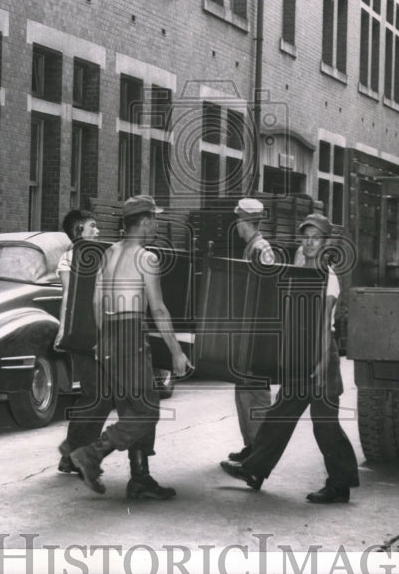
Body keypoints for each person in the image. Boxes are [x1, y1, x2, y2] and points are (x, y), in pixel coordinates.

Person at [219, 213, 359, 504]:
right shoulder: (299, 268)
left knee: (326, 425)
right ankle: (255, 470)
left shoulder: (328, 277)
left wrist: (321, 363)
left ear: (326, 243)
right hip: (300, 355)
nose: (309, 243)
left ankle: (340, 485)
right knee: (279, 416)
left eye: (315, 238)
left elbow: (323, 323)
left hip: (322, 356)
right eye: (305, 237)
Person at [70, 195, 191, 500]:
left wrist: (101, 341)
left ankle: (140, 477)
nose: (157, 225)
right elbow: (159, 309)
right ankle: (91, 454)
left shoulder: (108, 253)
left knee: (134, 406)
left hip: (109, 335)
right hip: (130, 335)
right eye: (155, 219)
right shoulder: (146, 258)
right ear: (145, 221)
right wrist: (176, 351)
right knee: (147, 412)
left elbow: (96, 301)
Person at [226, 198, 277, 464]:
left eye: (237, 220)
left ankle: (261, 450)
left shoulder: (261, 248)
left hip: (257, 334)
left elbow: (269, 294)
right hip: (248, 331)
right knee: (244, 391)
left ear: (243, 221)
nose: (236, 224)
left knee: (256, 393)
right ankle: (252, 445)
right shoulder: (252, 247)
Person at [55, 209, 105, 476]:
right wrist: (63, 330)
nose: (98, 231)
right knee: (95, 395)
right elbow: (68, 297)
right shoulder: (75, 257)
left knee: (95, 395)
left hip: (91, 331)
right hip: (88, 333)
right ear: (78, 231)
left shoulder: (96, 255)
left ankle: (74, 455)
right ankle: (73, 454)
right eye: (92, 227)